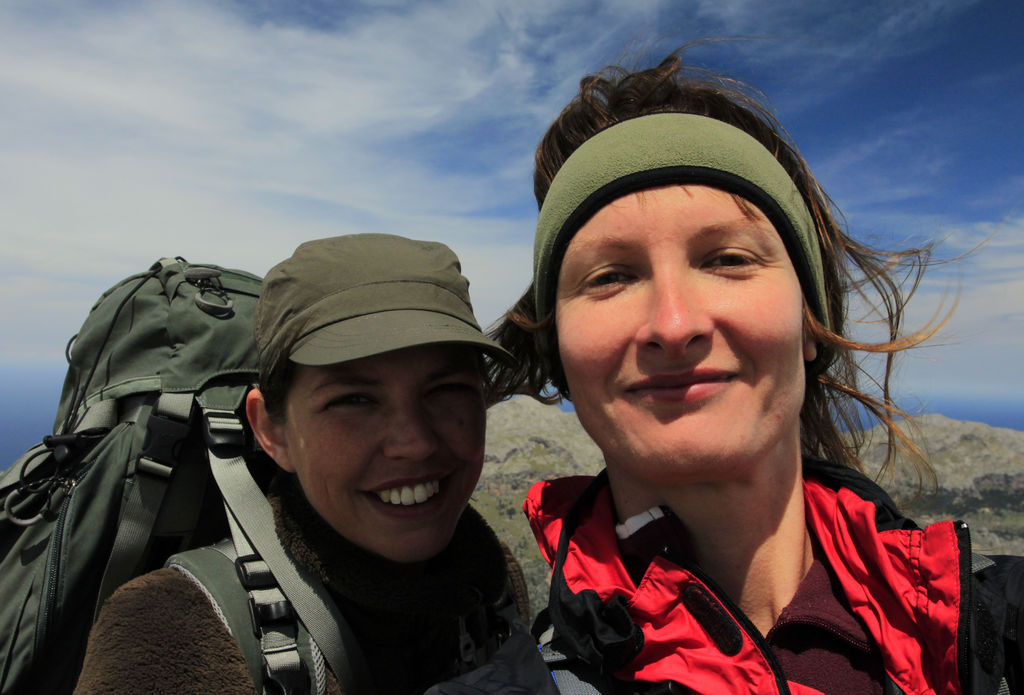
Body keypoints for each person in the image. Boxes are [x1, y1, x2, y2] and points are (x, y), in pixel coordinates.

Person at [491, 52, 1024, 694]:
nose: (673, 321)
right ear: (560, 356)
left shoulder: (996, 627)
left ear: (810, 323)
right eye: (611, 276)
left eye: (727, 259)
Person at [75, 234, 552, 695]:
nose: (414, 443)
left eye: (446, 390)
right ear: (271, 431)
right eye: (355, 400)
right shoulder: (170, 633)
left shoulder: (490, 586)